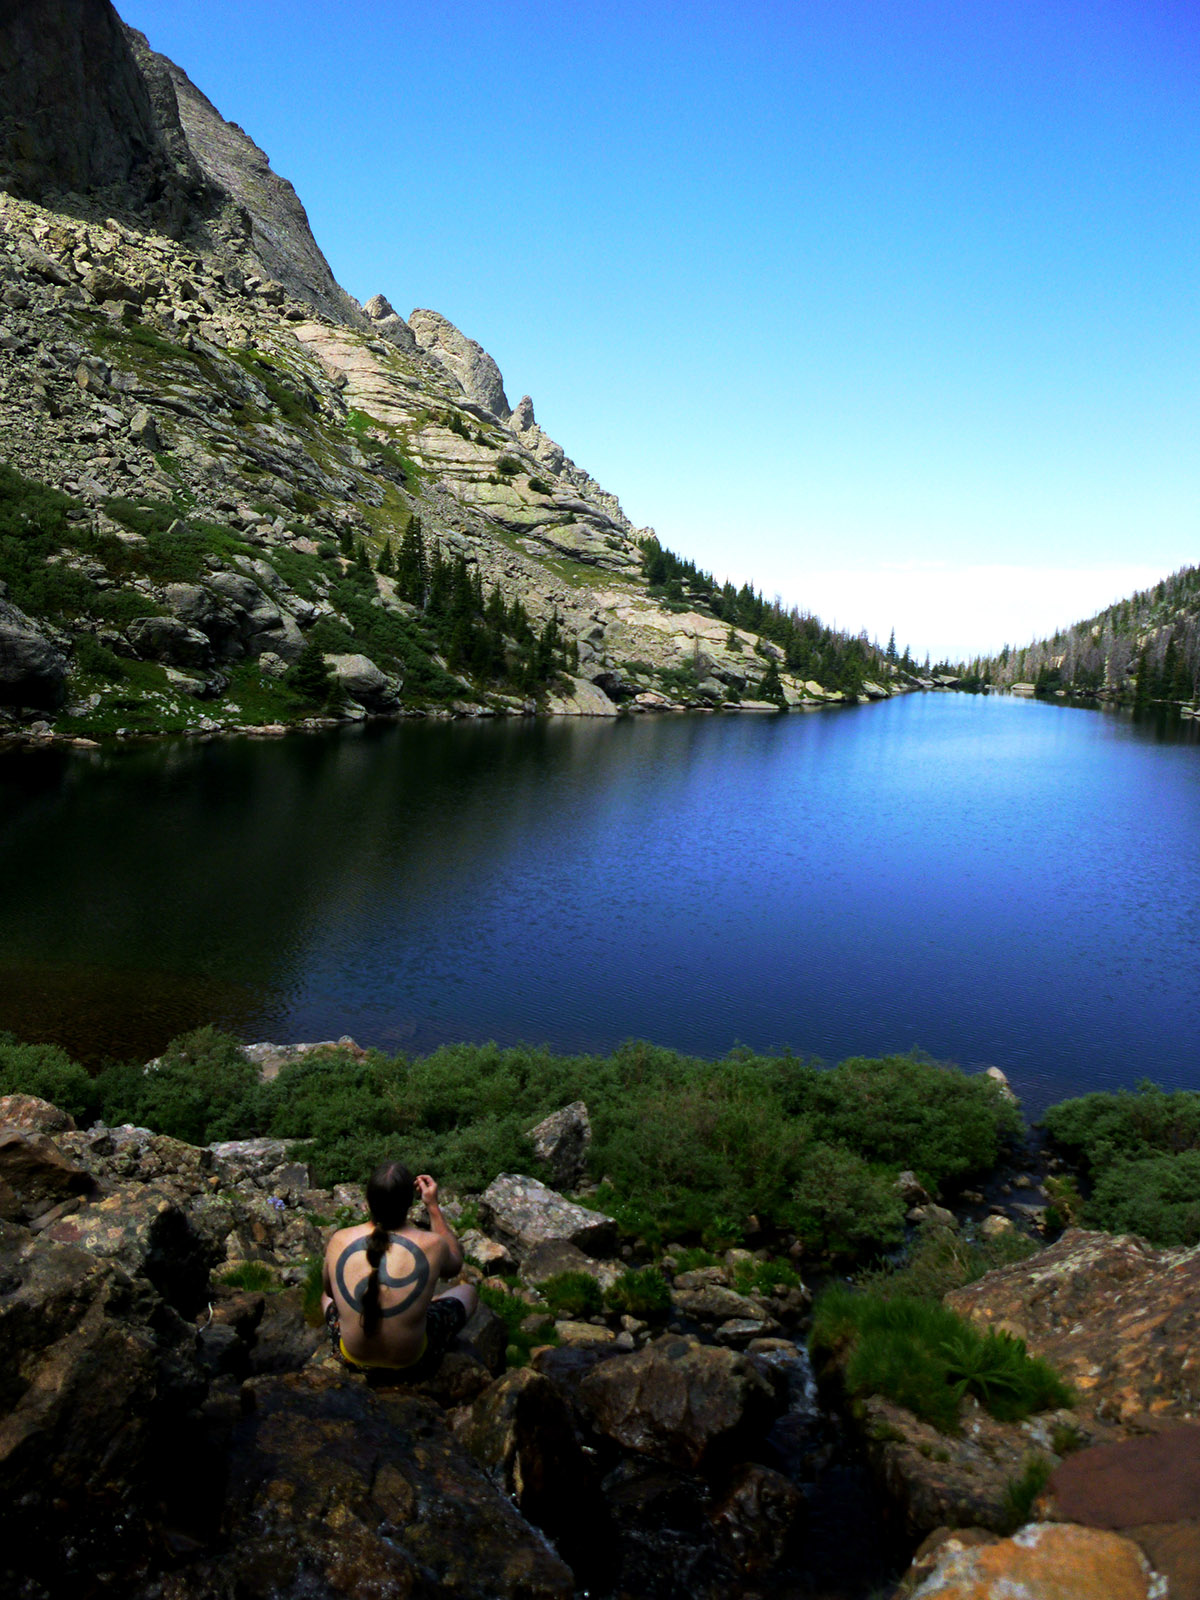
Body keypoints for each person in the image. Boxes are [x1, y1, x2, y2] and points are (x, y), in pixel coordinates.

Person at [321, 1160, 478, 1374]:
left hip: (353, 1358)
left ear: (368, 1201)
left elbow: (331, 1291)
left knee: (325, 1297)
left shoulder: (339, 1240)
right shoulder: (433, 1244)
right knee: (468, 1291)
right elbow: (454, 1265)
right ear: (409, 1203)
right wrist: (432, 1206)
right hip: (411, 1362)